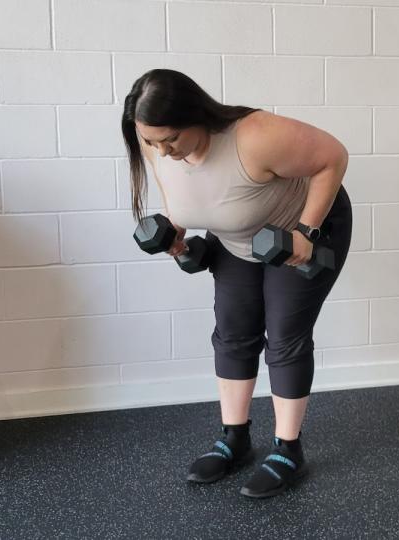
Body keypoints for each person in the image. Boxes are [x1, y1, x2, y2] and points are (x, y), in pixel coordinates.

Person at [121, 69, 352, 498]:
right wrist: (175, 240)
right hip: (235, 237)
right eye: (151, 142)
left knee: (283, 335)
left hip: (297, 233)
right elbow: (194, 199)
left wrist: (306, 231)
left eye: (169, 139)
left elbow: (333, 156)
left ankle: (288, 449)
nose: (161, 150)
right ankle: (235, 438)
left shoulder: (255, 135)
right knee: (233, 331)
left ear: (196, 117)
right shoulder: (156, 144)